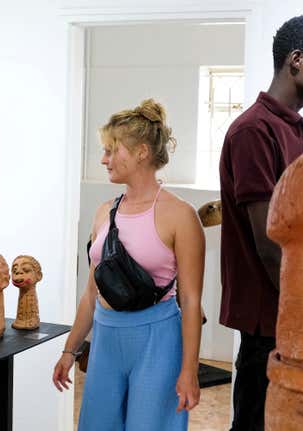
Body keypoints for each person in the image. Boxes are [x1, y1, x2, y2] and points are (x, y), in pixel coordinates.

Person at [218, 15, 303, 431]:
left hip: (289, 322)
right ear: (296, 61)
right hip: (270, 326)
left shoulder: (291, 128)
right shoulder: (254, 131)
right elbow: (270, 245)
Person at [52, 99, 205, 430]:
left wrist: (189, 370)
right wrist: (70, 350)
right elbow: (92, 291)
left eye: (112, 150)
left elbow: (191, 301)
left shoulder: (180, 216)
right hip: (106, 339)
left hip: (158, 341)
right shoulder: (104, 212)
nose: (104, 159)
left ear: (142, 152)